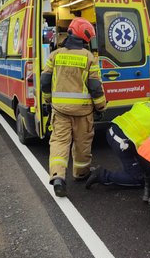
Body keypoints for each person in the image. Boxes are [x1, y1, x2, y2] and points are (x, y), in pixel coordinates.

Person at [41, 17, 106, 197]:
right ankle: (81, 173)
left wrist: (47, 100)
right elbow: (95, 86)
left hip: (60, 110)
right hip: (83, 112)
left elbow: (45, 80)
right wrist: (100, 107)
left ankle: (58, 176)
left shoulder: (55, 55)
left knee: (59, 142)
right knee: (82, 144)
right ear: (85, 38)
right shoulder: (89, 57)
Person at [84, 97, 150, 196]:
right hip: (122, 142)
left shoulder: (149, 103)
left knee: (142, 165)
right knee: (139, 178)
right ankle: (102, 175)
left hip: (112, 129)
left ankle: (131, 168)